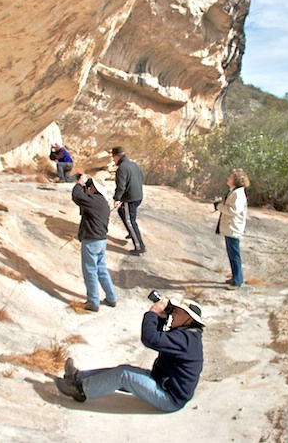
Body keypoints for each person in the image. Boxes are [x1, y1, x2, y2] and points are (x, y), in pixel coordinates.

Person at [54, 296, 204, 412]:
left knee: (124, 374)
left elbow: (150, 339)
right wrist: (161, 318)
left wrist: (152, 313)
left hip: (169, 398)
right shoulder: (188, 335)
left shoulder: (186, 340)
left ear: (189, 319)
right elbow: (160, 341)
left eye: (178, 312)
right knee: (123, 369)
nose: (174, 313)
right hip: (160, 380)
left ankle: (81, 391)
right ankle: (77, 377)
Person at [71, 174, 117, 312]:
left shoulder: (93, 200)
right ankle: (111, 297)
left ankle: (93, 301)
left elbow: (76, 196)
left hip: (91, 241)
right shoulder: (103, 202)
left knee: (90, 271)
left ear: (93, 188)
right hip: (101, 241)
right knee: (101, 270)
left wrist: (79, 184)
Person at [216, 168, 250, 290]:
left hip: (233, 228)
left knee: (234, 255)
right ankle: (236, 277)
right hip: (230, 227)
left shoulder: (238, 193)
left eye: (230, 177)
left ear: (235, 180)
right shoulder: (234, 192)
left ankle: (237, 281)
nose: (228, 179)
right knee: (232, 254)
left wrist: (219, 206)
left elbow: (233, 210)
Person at [111, 146, 146, 255]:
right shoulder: (134, 165)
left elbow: (121, 187)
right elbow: (142, 178)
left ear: (117, 157)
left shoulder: (121, 168)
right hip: (138, 196)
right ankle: (131, 232)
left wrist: (117, 199)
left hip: (130, 199)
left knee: (130, 220)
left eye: (113, 157)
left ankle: (139, 246)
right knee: (122, 212)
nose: (113, 160)